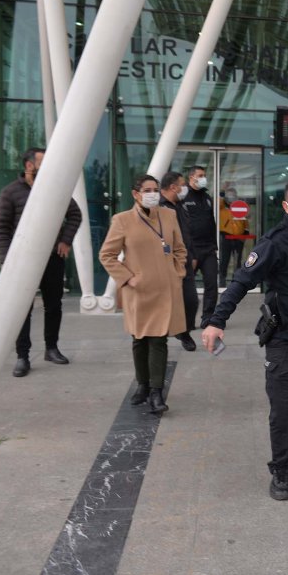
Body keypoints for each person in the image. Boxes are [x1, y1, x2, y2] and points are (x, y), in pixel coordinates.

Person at [202, 177, 288, 501]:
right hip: (285, 340)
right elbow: (242, 280)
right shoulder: (274, 242)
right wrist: (216, 321)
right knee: (282, 412)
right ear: (286, 205)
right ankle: (281, 470)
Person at [99, 175, 188, 415]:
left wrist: (177, 270)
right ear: (135, 194)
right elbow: (107, 255)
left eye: (155, 189)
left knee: (159, 339)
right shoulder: (122, 220)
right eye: (147, 190)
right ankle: (143, 384)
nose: (153, 194)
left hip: (165, 290)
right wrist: (128, 278)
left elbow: (179, 248)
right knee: (139, 339)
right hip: (138, 291)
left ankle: (156, 392)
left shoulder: (169, 215)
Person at [0, 147, 82, 377]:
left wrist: (66, 240)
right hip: (21, 262)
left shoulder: (55, 190)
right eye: (43, 162)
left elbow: (75, 214)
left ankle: (51, 349)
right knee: (23, 309)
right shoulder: (10, 192)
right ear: (29, 165)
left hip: (52, 259)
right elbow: (2, 229)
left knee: (54, 305)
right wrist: (6, 261)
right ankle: (22, 356)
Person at [159, 171, 198, 352]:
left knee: (191, 300)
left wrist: (193, 255)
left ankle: (184, 331)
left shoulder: (181, 205)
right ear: (173, 187)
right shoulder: (158, 207)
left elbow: (188, 233)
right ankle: (159, 335)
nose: (185, 188)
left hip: (185, 259)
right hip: (164, 260)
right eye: (182, 184)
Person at [182, 165, 219, 326]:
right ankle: (186, 320)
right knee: (187, 287)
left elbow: (211, 223)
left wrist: (214, 246)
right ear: (192, 178)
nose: (204, 178)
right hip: (192, 250)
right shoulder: (184, 197)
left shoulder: (207, 198)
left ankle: (207, 317)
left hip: (208, 248)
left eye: (204, 175)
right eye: (200, 175)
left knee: (212, 284)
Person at [218, 189, 248, 287]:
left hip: (239, 237)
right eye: (229, 195)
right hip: (226, 236)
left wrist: (245, 234)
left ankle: (236, 280)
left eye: (233, 195)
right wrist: (222, 194)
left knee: (238, 260)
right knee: (225, 259)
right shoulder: (222, 207)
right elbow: (218, 203)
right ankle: (222, 279)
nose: (231, 197)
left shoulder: (239, 206)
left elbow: (245, 221)